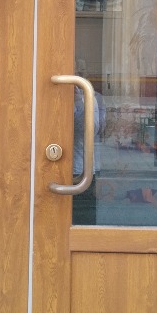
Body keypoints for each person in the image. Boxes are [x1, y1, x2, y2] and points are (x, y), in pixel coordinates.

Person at [72, 83, 100, 225]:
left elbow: (90, 130)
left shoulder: (89, 97)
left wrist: (78, 101)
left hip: (81, 168)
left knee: (83, 221)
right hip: (53, 167)